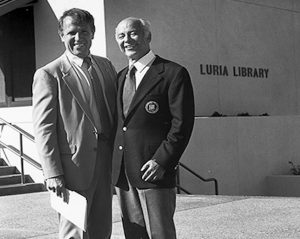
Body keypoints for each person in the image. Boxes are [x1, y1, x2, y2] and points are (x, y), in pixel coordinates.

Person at [32, 8, 116, 239]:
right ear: (61, 35)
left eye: (84, 32)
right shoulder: (49, 74)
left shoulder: (105, 66)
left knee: (102, 230)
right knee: (74, 234)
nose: (78, 38)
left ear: (93, 34)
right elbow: (44, 129)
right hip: (72, 170)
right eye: (71, 32)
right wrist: (53, 173)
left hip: (105, 163)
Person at [113, 17, 195, 239]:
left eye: (133, 33)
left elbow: (182, 124)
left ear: (148, 36)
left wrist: (162, 160)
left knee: (161, 234)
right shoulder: (120, 77)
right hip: (124, 175)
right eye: (121, 36)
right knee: (134, 234)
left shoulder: (172, 73)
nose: (127, 40)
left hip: (154, 171)